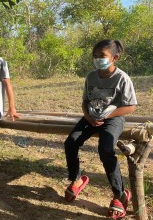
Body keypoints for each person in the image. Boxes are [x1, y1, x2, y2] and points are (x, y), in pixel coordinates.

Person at [64, 40, 137, 219]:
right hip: (91, 117)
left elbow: (130, 106)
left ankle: (119, 194)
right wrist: (88, 116)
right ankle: (77, 179)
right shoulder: (91, 76)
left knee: (105, 148)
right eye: (95, 56)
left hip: (113, 118)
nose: (97, 59)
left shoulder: (122, 78)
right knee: (71, 142)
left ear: (115, 58)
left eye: (102, 56)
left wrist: (107, 116)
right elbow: (85, 101)